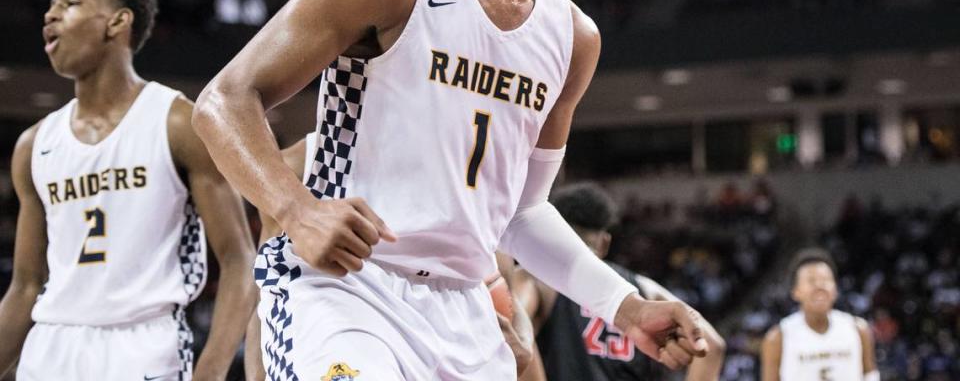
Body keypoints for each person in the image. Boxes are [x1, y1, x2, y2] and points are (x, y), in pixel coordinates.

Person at [193, 0, 709, 380]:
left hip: (466, 311)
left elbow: (522, 211)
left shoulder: (574, 37)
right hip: (347, 291)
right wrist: (298, 209)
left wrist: (623, 307)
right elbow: (225, 100)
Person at [0, 0, 258, 380]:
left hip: (144, 345)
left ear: (117, 22)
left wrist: (210, 369)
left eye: (70, 3)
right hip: (51, 346)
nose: (50, 15)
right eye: (50, 7)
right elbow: (25, 285)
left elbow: (238, 259)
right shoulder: (34, 145)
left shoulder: (174, 122)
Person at [244, 133, 540, 379]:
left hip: (462, 348)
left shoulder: (482, 173)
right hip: (353, 329)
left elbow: (515, 317)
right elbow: (268, 303)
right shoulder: (313, 163)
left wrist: (523, 343)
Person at [516, 182, 726, 381]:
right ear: (605, 242)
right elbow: (712, 346)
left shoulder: (537, 279)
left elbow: (512, 325)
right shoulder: (643, 287)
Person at [761, 248, 878, 381]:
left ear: (835, 289)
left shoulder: (858, 329)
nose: (819, 286)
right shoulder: (778, 338)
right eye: (811, 281)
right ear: (795, 291)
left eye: (825, 280)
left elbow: (870, 375)